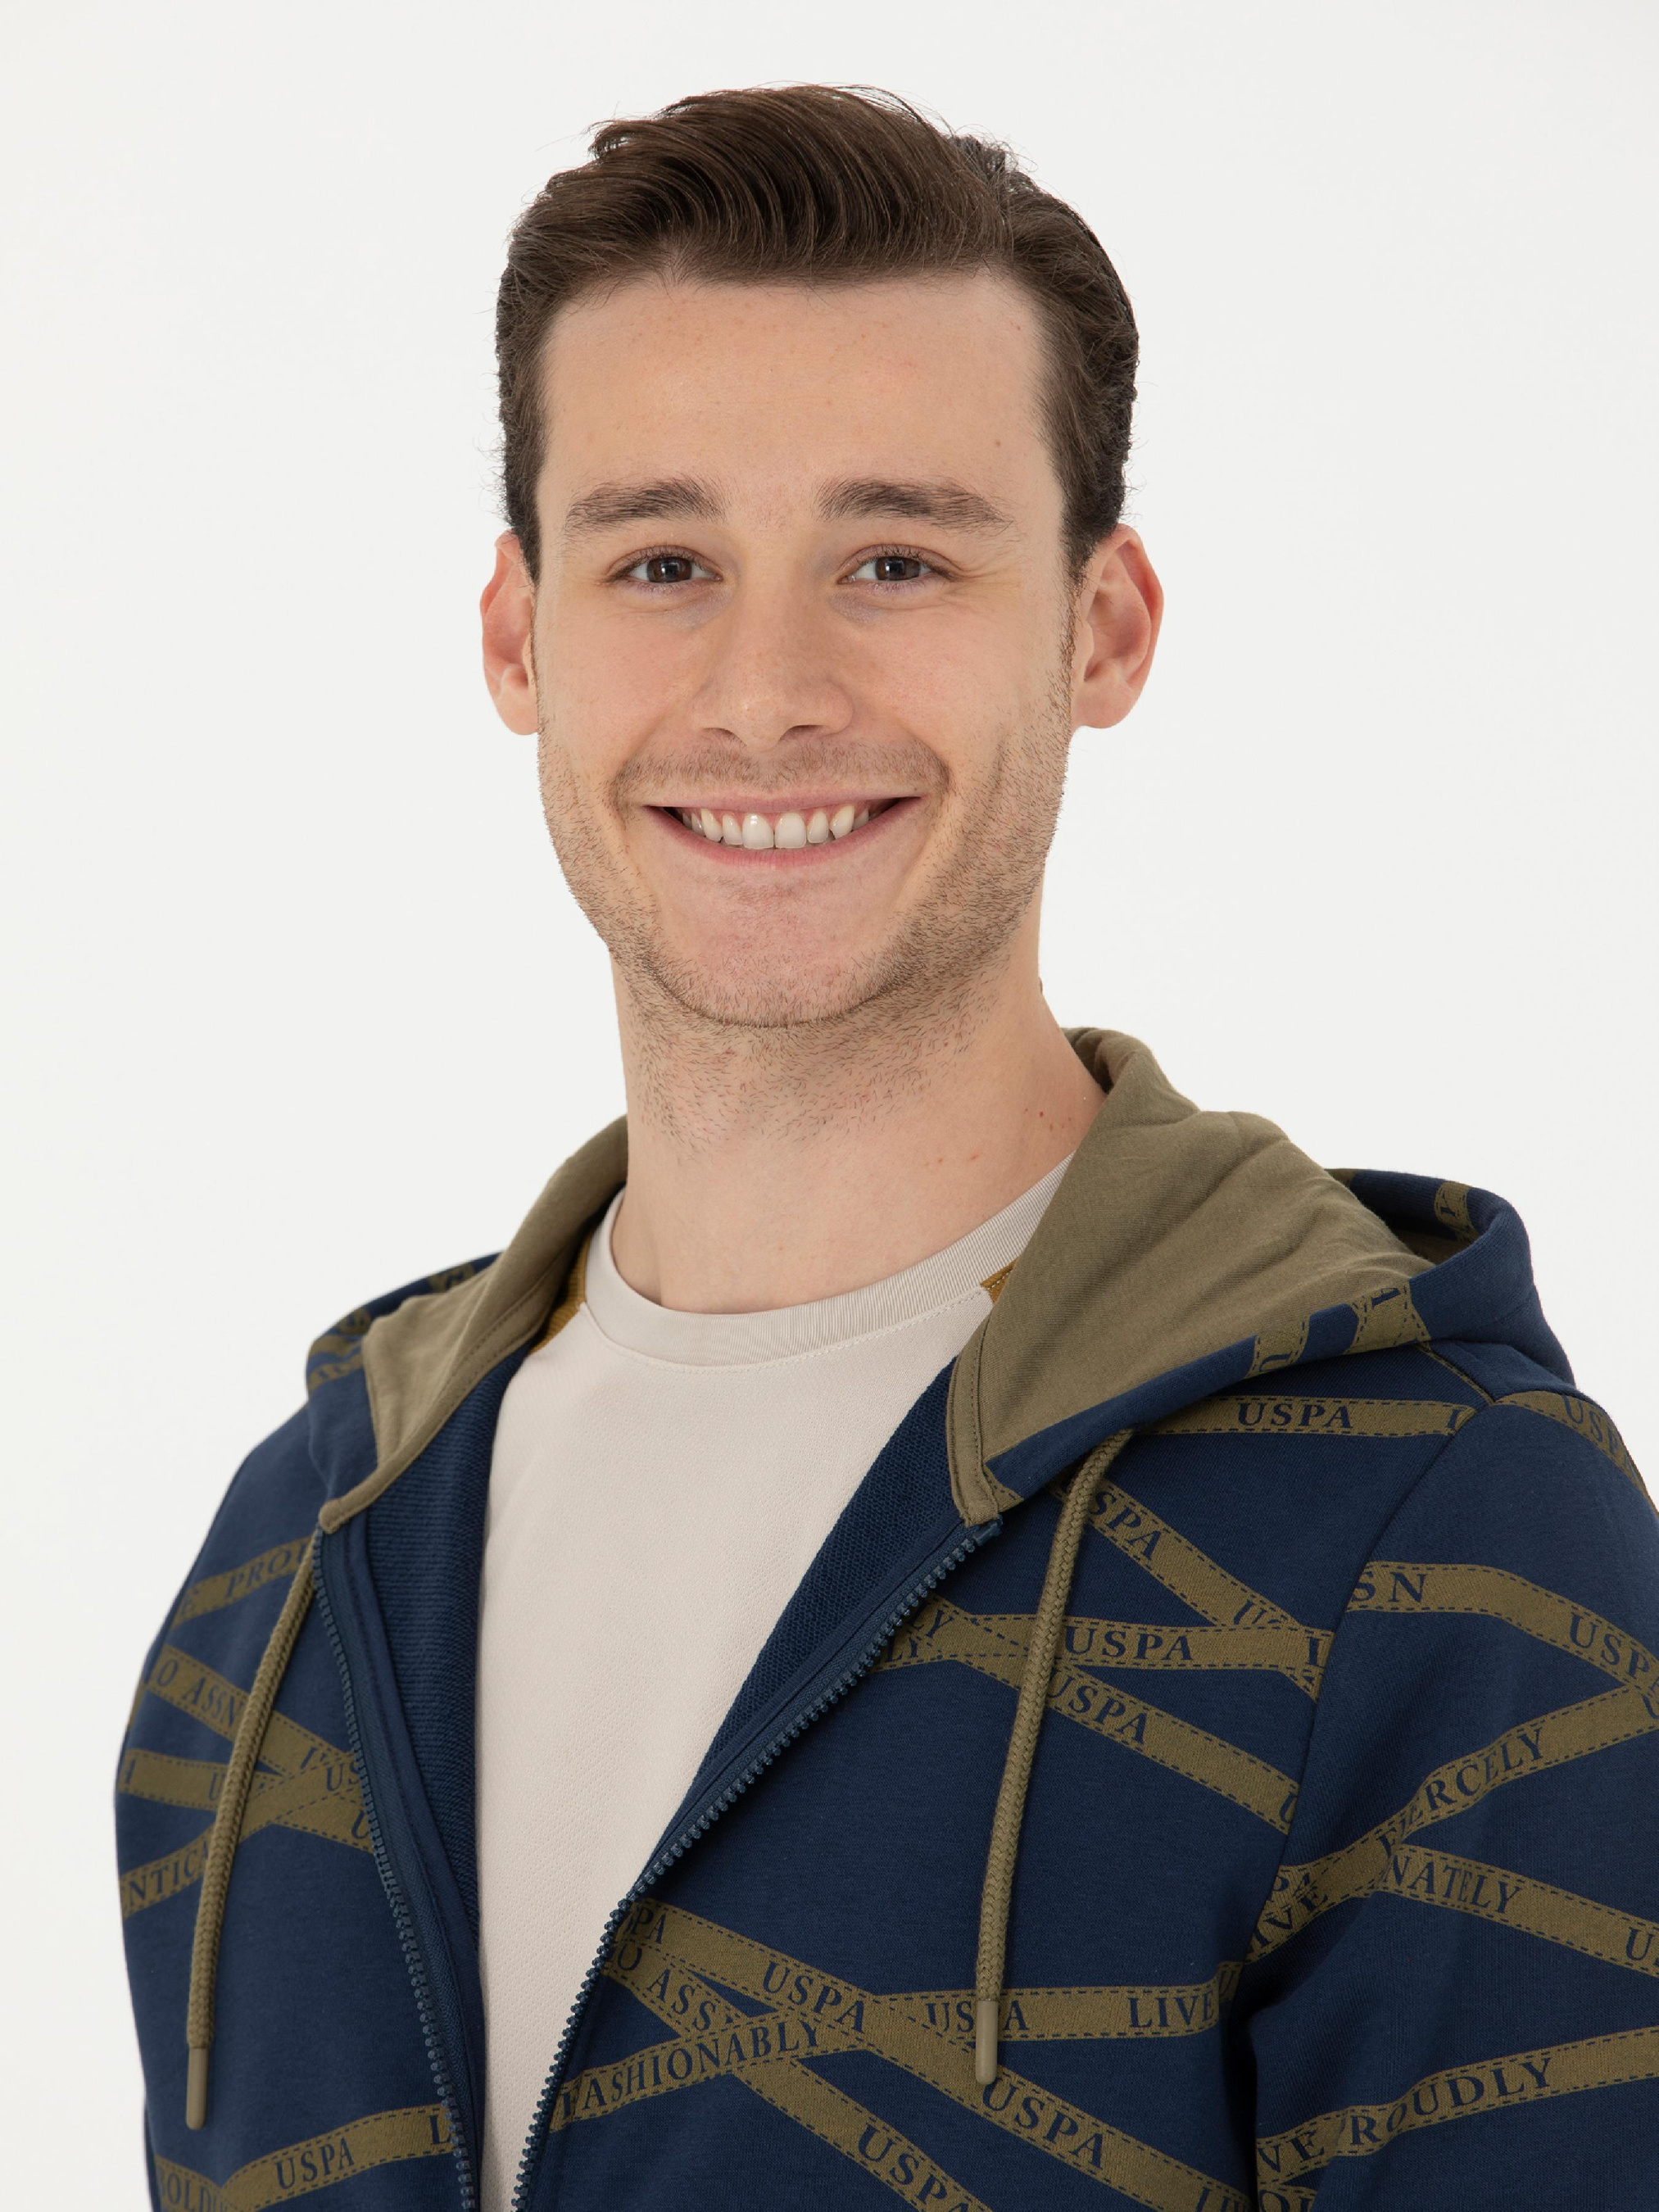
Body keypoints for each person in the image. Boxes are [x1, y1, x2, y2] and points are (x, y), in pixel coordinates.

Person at [117, 84, 1659, 2212]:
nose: (765, 691)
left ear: (1102, 628)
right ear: (517, 636)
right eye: (663, 562)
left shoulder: (1440, 1533)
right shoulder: (299, 1558)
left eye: (895, 559)